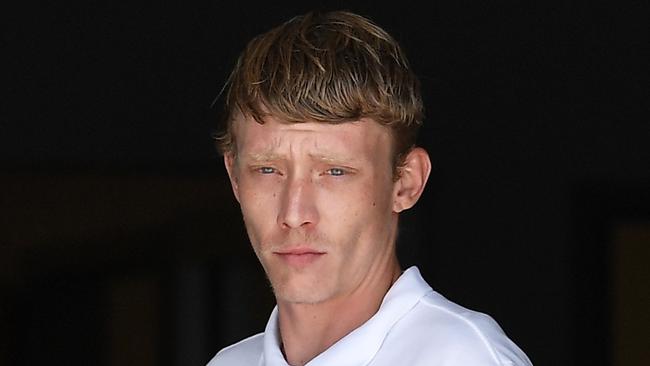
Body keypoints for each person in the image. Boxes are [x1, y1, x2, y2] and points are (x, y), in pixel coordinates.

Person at [208, 10, 533, 366]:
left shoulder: (465, 358)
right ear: (234, 176)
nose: (294, 214)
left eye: (334, 172)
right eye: (267, 169)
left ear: (406, 183)